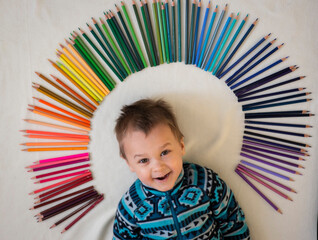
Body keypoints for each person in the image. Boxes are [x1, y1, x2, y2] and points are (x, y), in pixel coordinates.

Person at [113, 98, 250, 239]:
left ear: (181, 146)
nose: (158, 167)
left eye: (164, 152)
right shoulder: (131, 206)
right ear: (129, 163)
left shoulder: (206, 183)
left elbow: (233, 222)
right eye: (144, 160)